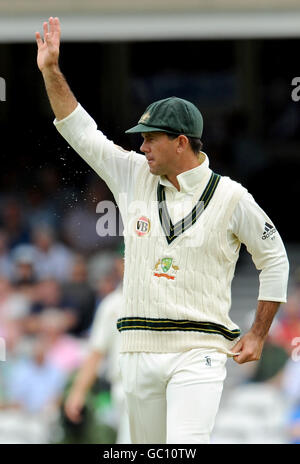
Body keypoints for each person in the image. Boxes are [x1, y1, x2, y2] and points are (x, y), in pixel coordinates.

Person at [36, 17, 289, 444]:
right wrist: (50, 71)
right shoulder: (133, 174)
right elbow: (81, 131)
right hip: (136, 350)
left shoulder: (231, 197)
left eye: (151, 138)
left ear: (182, 142)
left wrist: (259, 332)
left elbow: (275, 258)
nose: (142, 146)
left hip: (200, 351)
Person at [64, 257, 130, 444]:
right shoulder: (112, 304)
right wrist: (77, 391)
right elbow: (96, 353)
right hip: (125, 386)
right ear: (119, 264)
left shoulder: (161, 296)